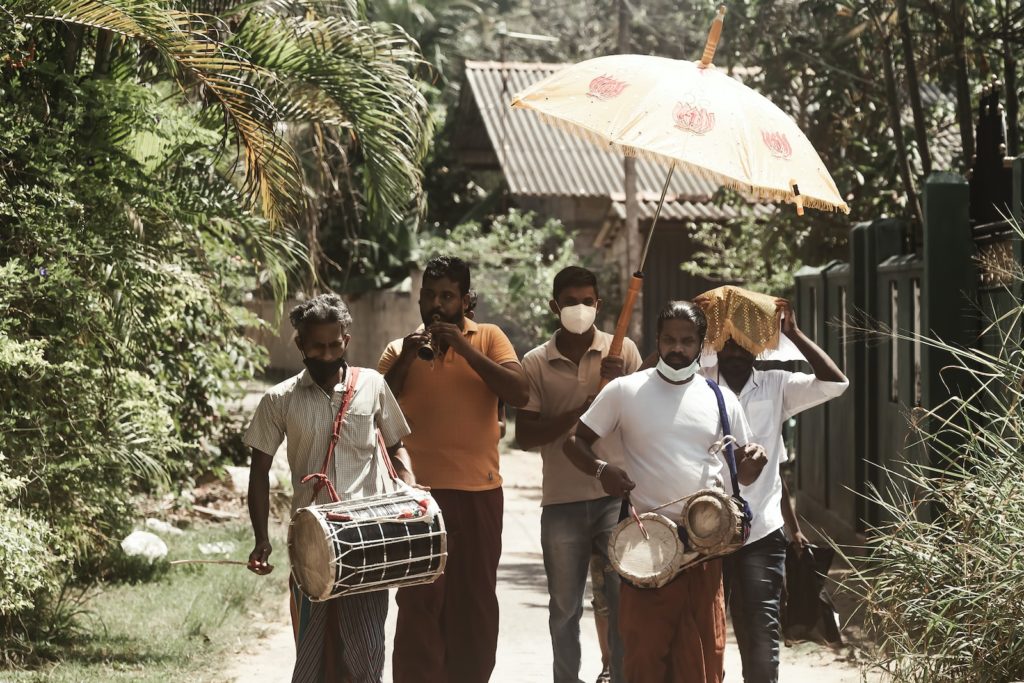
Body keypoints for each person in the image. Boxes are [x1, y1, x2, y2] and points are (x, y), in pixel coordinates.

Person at [563, 300, 768, 683]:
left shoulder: (721, 399)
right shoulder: (626, 390)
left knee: (705, 663)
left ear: (701, 344)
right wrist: (601, 470)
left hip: (706, 550)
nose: (677, 348)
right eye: (670, 339)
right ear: (656, 339)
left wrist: (754, 462)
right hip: (647, 548)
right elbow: (576, 442)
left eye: (687, 341)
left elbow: (746, 472)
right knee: (644, 662)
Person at [243, 294, 417, 683]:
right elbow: (259, 472)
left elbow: (396, 446)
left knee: (367, 654)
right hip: (310, 546)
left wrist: (411, 491)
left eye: (333, 344)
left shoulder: (372, 384)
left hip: (368, 540)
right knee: (312, 658)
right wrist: (260, 539)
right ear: (300, 345)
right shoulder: (278, 400)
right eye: (316, 346)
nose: (326, 353)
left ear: (346, 341)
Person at [379, 255, 529, 683]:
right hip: (416, 500)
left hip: (478, 495)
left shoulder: (490, 338)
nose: (437, 305)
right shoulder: (397, 349)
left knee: (474, 603)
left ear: (465, 301)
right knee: (419, 604)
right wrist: (408, 357)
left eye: (448, 296)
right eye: (430, 295)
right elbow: (373, 411)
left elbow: (519, 391)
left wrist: (463, 347)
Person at [696, 293, 849, 683]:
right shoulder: (695, 385)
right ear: (714, 342)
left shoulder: (777, 384)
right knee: (699, 639)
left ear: (760, 343)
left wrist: (794, 333)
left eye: (745, 341)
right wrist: (694, 328)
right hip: (700, 532)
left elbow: (835, 382)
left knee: (761, 642)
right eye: (726, 341)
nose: (735, 350)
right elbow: (648, 379)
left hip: (760, 533)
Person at [516, 266, 642, 683]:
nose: (579, 308)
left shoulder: (623, 354)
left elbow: (643, 422)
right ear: (555, 306)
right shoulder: (535, 362)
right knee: (564, 608)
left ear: (599, 305)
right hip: (562, 501)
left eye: (587, 301)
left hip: (616, 499)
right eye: (570, 301)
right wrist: (585, 407)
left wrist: (621, 388)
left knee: (624, 602)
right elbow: (526, 435)